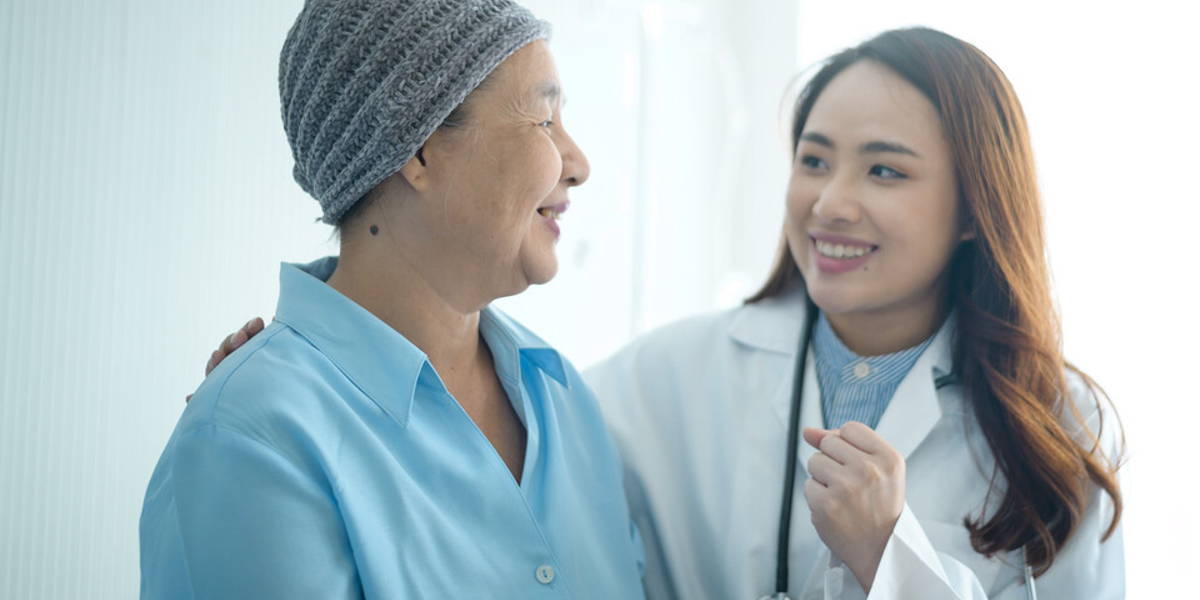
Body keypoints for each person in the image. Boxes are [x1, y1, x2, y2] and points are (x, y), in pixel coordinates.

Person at [204, 27, 1125, 599]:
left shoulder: (1060, 428)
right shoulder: (655, 381)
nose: (830, 202)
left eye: (884, 169)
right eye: (813, 160)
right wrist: (304, 366)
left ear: (975, 206)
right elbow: (448, 440)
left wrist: (896, 562)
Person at [139, 1, 644, 598]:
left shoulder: (563, 398)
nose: (578, 164)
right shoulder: (253, 437)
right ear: (419, 148)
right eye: (544, 121)